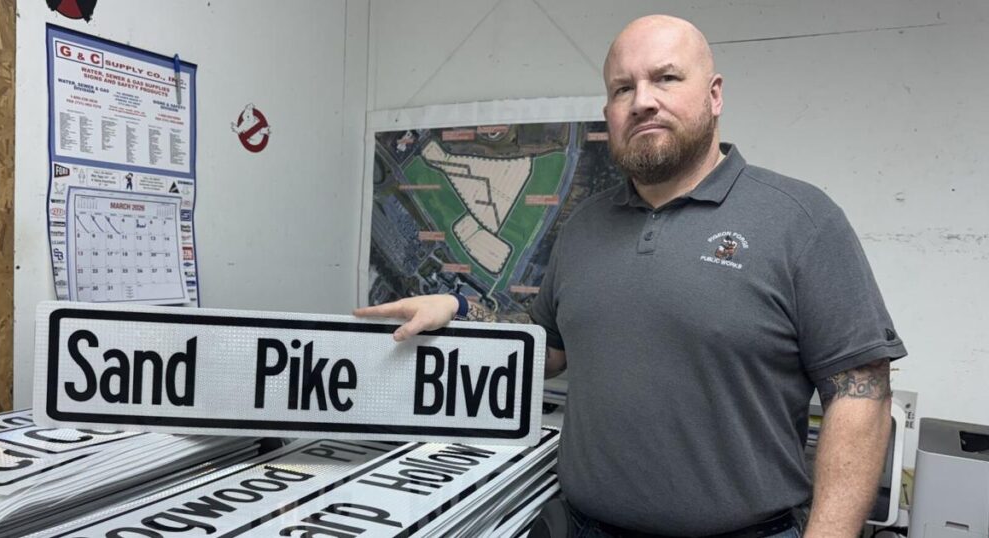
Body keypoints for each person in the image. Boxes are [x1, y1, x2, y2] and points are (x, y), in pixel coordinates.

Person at [355, 14, 905, 538]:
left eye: (666, 78)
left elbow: (862, 393)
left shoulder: (800, 219)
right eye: (623, 88)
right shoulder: (583, 225)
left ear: (714, 95)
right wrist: (460, 312)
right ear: (610, 110)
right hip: (585, 526)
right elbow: (549, 350)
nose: (642, 101)